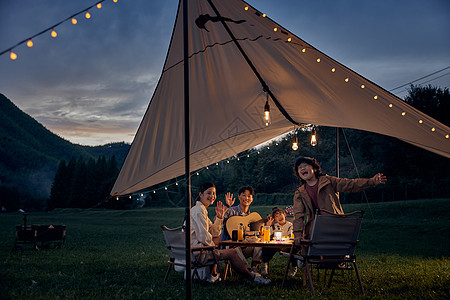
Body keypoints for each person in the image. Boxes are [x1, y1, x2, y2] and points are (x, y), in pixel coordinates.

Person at [292, 156, 387, 248]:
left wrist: (371, 181)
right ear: (298, 174)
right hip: (314, 230)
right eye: (299, 168)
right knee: (307, 249)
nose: (302, 168)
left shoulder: (328, 181)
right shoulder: (300, 192)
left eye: (305, 165)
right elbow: (298, 215)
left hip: (334, 224)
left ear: (315, 169)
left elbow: (350, 184)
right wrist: (297, 234)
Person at [190, 182, 270, 284]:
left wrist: (219, 217)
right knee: (233, 252)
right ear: (200, 194)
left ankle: (251, 272)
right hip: (199, 252)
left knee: (251, 247)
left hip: (201, 249)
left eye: (214, 193)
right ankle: (253, 277)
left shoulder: (201, 210)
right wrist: (215, 245)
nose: (212, 196)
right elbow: (203, 237)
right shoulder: (198, 211)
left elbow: (214, 231)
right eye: (209, 193)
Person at [220, 186, 262, 272]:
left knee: (259, 245)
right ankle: (247, 270)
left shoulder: (252, 217)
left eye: (249, 196)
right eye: (244, 195)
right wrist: (227, 206)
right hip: (231, 247)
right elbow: (218, 220)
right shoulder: (231, 211)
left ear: (252, 199)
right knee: (236, 247)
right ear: (239, 197)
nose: (246, 198)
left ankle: (254, 268)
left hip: (246, 247)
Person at [260, 207, 297, 277]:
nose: (279, 217)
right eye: (276, 216)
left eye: (280, 214)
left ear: (284, 214)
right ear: (274, 219)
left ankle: (294, 267)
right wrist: (267, 226)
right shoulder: (274, 226)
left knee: (294, 250)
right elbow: (266, 235)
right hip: (276, 245)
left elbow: (291, 236)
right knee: (266, 248)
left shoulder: (290, 225)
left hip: (287, 245)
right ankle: (264, 264)